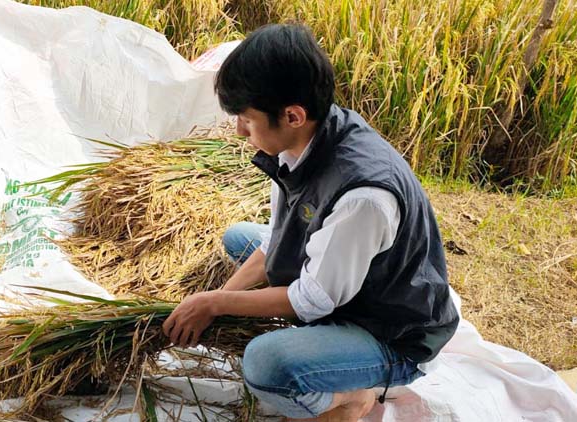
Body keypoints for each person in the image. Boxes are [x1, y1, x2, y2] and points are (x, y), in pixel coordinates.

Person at [162, 23, 459, 421]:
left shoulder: (364, 196)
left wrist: (214, 302)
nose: (239, 131)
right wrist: (215, 304)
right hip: (354, 286)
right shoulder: (303, 144)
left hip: (392, 330)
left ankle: (354, 398)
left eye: (247, 119)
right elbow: (274, 239)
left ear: (293, 115)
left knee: (266, 365)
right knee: (239, 238)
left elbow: (311, 300)